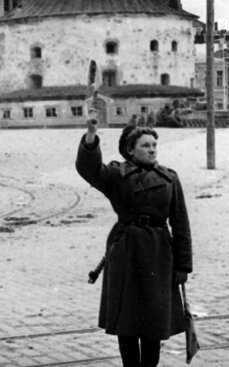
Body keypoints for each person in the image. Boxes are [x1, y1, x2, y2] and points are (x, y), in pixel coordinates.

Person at [75, 112, 193, 367]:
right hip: (125, 251)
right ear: (131, 150)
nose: (152, 150)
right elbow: (88, 169)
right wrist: (92, 135)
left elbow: (181, 223)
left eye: (154, 145)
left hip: (159, 254)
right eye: (145, 146)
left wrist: (183, 266)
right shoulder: (116, 175)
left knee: (153, 322)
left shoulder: (170, 178)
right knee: (126, 322)